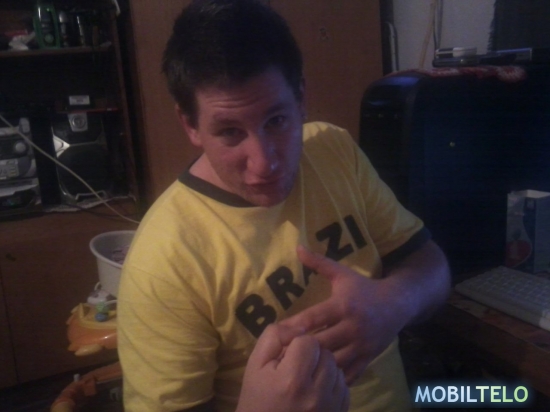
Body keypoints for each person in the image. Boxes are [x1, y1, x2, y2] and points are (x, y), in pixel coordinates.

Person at [117, 0, 451, 411]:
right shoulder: (163, 261)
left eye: (276, 121)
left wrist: (394, 304)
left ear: (301, 98)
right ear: (191, 126)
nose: (264, 164)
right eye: (229, 132)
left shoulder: (333, 150)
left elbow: (431, 264)